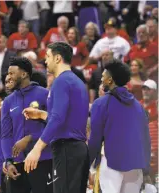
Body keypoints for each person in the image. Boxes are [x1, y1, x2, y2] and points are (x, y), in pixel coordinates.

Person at [23, 42, 90, 193]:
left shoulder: (60, 81)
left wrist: (37, 148)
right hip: (78, 149)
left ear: (58, 58)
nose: (46, 61)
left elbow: (58, 119)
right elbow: (68, 118)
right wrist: (41, 114)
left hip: (66, 149)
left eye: (48, 56)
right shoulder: (77, 82)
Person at [88, 59, 151, 193]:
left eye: (103, 77)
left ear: (110, 80)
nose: (101, 80)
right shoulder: (138, 106)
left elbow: (95, 139)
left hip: (112, 162)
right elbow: (146, 139)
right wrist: (146, 169)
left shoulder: (100, 104)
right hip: (136, 164)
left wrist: (87, 163)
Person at [0, 57, 53, 193]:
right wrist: (8, 161)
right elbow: (6, 135)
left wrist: (31, 137)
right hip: (17, 164)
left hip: (43, 160)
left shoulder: (45, 94)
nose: (9, 77)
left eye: (12, 73)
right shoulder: (8, 101)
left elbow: (54, 125)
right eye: (8, 74)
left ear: (24, 74)